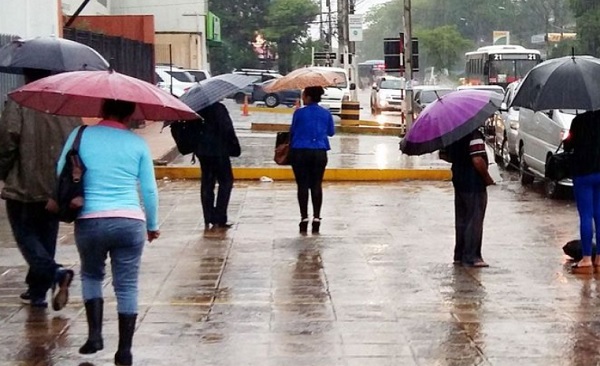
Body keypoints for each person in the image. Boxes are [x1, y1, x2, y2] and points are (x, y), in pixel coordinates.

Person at [57, 99, 160, 365]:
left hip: (90, 219)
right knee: (126, 285)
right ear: (131, 115)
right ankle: (124, 350)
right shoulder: (137, 143)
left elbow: (60, 170)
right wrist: (152, 225)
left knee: (91, 274)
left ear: (102, 110)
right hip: (129, 221)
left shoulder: (81, 135)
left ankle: (94, 337)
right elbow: (148, 190)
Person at [0, 68, 81, 309]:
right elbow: (76, 140)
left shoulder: (20, 100)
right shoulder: (67, 103)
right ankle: (37, 291)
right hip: (57, 186)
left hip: (25, 182)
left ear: (27, 75)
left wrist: (4, 172)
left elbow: (7, 140)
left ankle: (55, 273)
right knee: (46, 237)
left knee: (26, 237)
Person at [444, 127, 495, 267]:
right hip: (474, 182)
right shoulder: (474, 134)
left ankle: (459, 255)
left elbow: (445, 155)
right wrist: (487, 178)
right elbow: (477, 159)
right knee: (474, 219)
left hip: (459, 179)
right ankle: (472, 256)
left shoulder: (452, 133)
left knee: (461, 219)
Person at [289, 86, 335, 234]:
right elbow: (331, 132)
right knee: (316, 184)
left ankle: (304, 218)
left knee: (302, 185)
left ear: (308, 97)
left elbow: (293, 131)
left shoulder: (299, 113)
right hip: (319, 152)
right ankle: (317, 218)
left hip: (300, 152)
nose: (302, 98)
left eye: (304, 95)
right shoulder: (326, 113)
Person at [563, 110, 600, 274]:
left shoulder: (579, 120)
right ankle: (599, 258)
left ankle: (586, 259)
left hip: (583, 173)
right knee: (599, 215)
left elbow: (569, 145)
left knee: (586, 215)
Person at [195, 101, 241, 229]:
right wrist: (234, 146)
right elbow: (227, 128)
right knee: (226, 181)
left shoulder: (196, 109)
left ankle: (208, 216)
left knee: (207, 183)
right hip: (219, 151)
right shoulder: (219, 108)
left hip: (202, 151)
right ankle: (220, 216)